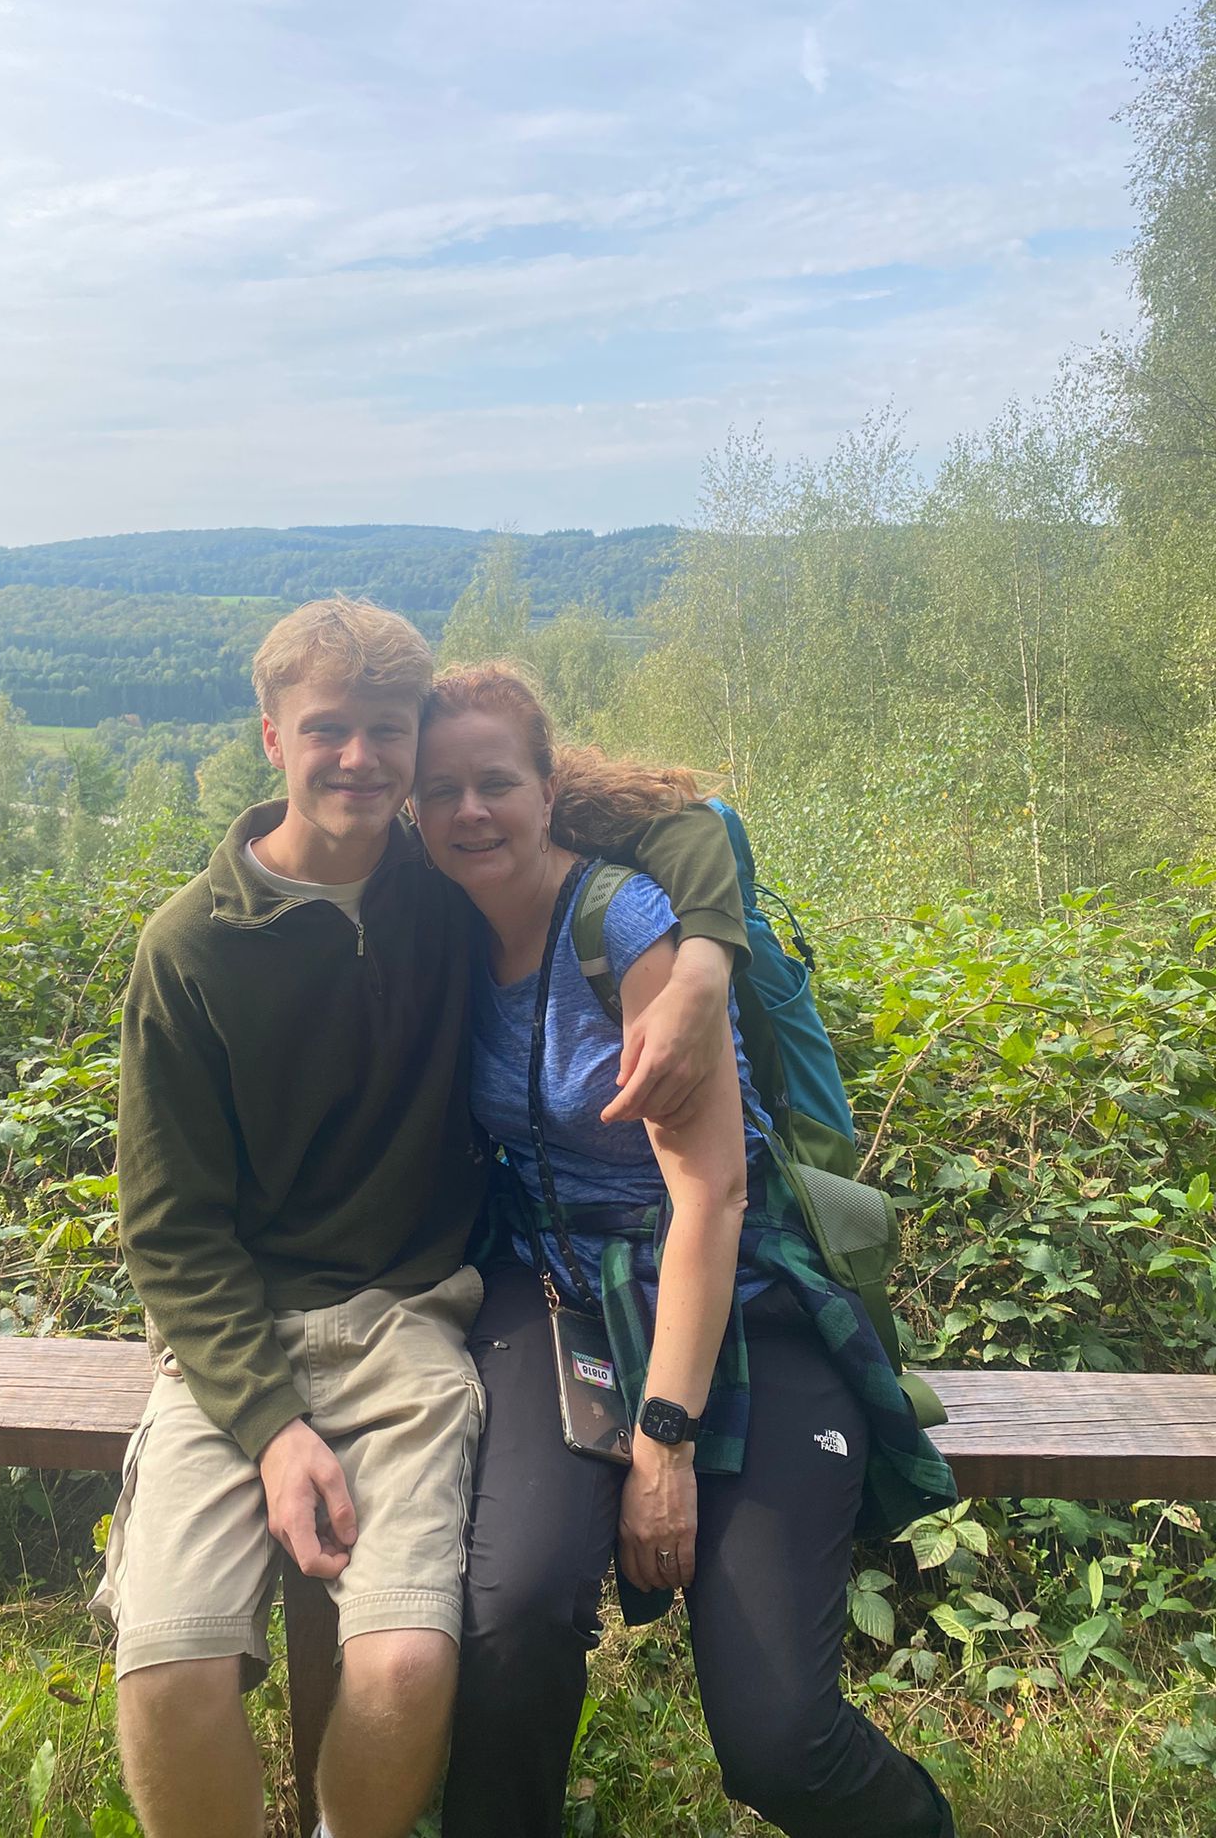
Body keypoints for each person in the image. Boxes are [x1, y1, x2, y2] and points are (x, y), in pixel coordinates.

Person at [91, 598, 760, 1838]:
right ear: (271, 738)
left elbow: (681, 822)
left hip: (413, 1320)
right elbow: (170, 1232)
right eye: (327, 728)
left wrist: (710, 952)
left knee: (402, 1666)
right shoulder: (190, 949)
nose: (359, 756)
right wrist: (274, 1427)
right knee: (175, 1662)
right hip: (228, 1351)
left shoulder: (447, 880)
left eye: (383, 730)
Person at [411, 663, 959, 1838]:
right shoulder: (439, 930)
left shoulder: (627, 924)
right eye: (440, 786)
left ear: (547, 787)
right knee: (511, 1611)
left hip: (735, 1298)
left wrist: (665, 1443)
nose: (470, 810)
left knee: (782, 1742)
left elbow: (711, 1192)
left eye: (495, 781)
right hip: (559, 1295)